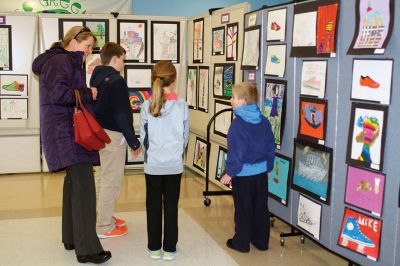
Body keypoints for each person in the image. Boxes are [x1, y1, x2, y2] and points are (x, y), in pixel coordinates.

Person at [32, 26, 111, 264]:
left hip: (64, 131)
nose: (89, 52)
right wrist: (88, 93)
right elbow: (59, 94)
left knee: (73, 187)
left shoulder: (59, 60)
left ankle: (72, 238)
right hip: (68, 133)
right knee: (85, 189)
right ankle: (88, 250)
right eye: (87, 46)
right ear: (74, 42)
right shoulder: (62, 62)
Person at [90, 42, 142, 238]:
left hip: (100, 133)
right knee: (111, 181)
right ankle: (104, 226)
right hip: (113, 136)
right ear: (114, 59)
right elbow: (121, 114)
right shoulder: (117, 81)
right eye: (123, 59)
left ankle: (102, 217)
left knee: (102, 177)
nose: (124, 63)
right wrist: (133, 141)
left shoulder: (97, 77)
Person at [140, 60, 189, 261]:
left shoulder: (146, 105)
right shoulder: (182, 106)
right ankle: (169, 249)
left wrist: (151, 154)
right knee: (171, 207)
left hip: (153, 165)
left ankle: (153, 248)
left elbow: (144, 136)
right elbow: (185, 136)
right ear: (174, 80)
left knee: (152, 206)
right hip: (174, 165)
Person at [220, 82, 275, 253]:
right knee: (260, 208)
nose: (230, 100)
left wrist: (230, 173)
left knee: (243, 209)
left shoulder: (237, 125)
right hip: (260, 175)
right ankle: (261, 241)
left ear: (243, 101)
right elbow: (270, 147)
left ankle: (241, 243)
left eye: (233, 98)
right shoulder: (264, 122)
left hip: (243, 176)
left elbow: (237, 153)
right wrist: (268, 168)